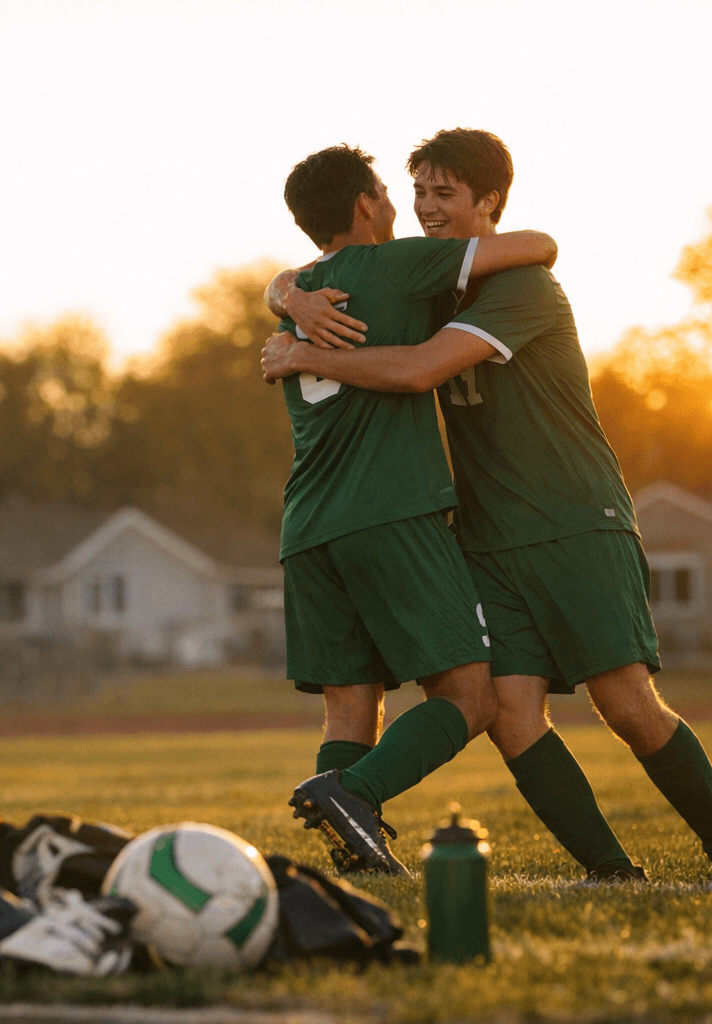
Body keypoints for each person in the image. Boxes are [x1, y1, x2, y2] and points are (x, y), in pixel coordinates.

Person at [261, 129, 712, 885]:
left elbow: (424, 368)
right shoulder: (422, 285)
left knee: (627, 705)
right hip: (488, 539)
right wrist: (287, 290)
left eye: (445, 194)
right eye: (420, 193)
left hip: (573, 519)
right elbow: (334, 271)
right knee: (508, 713)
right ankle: (611, 872)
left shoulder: (522, 286)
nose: (427, 208)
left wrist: (302, 344)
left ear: (489, 202)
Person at [266, 144, 559, 876]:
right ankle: (352, 795)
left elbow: (283, 283)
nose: (405, 206)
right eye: (390, 194)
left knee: (350, 709)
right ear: (366, 205)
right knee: (470, 698)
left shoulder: (301, 298)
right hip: (389, 515)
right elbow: (540, 247)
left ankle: (356, 852)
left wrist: (286, 296)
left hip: (306, 531)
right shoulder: (397, 263)